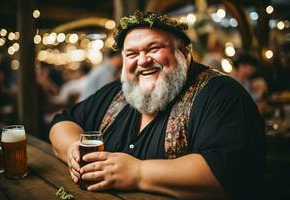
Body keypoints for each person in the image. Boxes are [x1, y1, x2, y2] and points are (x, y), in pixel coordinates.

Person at [50, 11, 265, 199]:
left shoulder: (222, 94)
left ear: (184, 52)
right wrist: (72, 148)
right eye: (132, 54)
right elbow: (63, 121)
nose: (142, 60)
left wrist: (138, 173)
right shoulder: (118, 91)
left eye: (153, 48)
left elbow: (228, 172)